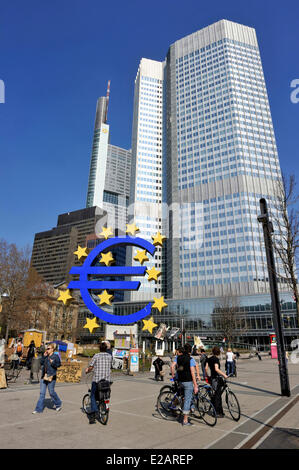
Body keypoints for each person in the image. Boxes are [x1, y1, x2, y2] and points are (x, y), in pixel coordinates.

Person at [171, 343, 198, 426]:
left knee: (183, 396)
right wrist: (195, 384)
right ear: (190, 350)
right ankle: (185, 420)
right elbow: (192, 372)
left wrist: (174, 375)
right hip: (188, 381)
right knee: (187, 400)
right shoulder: (190, 359)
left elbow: (174, 366)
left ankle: (178, 406)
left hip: (180, 381)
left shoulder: (178, 358)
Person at [85, 341, 112, 424]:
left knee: (92, 395)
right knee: (104, 395)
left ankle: (93, 415)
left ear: (99, 349)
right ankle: (103, 406)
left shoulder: (96, 356)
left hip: (97, 380)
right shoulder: (109, 356)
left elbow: (91, 366)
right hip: (107, 381)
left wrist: (87, 370)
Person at [32, 343, 62, 414]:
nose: (47, 350)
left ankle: (58, 403)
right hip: (44, 376)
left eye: (48, 349)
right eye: (47, 349)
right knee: (42, 393)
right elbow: (41, 363)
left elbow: (59, 365)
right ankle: (38, 409)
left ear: (52, 349)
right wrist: (43, 356)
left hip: (51, 376)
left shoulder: (55, 356)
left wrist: (53, 363)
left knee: (51, 392)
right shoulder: (46, 356)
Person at [205, 346, 228, 418]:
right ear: (218, 352)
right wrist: (224, 375)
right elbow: (216, 369)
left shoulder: (209, 359)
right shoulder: (216, 359)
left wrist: (207, 376)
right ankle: (218, 412)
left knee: (216, 393)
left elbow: (206, 368)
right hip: (216, 378)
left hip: (212, 378)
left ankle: (217, 410)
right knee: (218, 395)